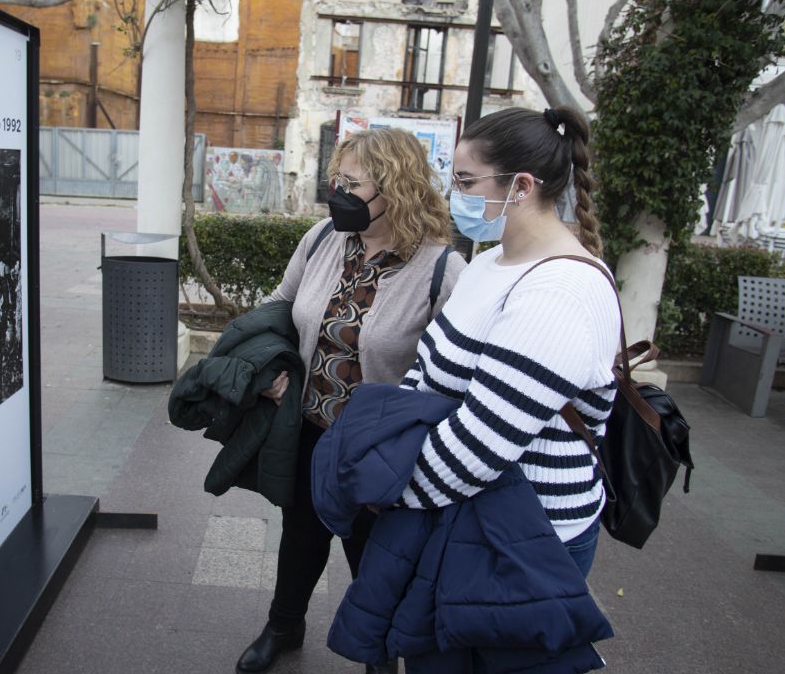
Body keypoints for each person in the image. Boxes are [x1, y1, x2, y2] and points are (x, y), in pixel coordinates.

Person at [395, 106, 620, 673]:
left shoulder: (562, 290)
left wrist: (391, 490)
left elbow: (482, 443)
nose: (456, 196)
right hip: (460, 517)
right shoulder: (489, 261)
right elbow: (426, 371)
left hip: (526, 538)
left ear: (521, 186)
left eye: (467, 183)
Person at [235, 127, 466, 674]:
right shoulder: (322, 240)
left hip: (380, 449)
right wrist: (270, 372)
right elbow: (276, 308)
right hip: (311, 429)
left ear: (397, 188)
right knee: (301, 537)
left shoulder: (441, 270)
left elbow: (455, 373)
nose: (337, 192)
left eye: (352, 183)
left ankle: (378, 650)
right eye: (336, 179)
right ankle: (284, 626)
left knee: (375, 557)